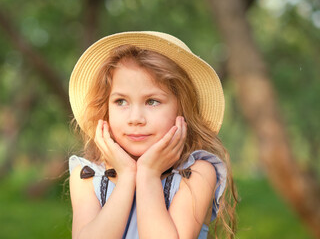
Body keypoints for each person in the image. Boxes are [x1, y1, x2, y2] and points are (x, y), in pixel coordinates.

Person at [68, 31, 237, 239]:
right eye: (121, 101)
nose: (135, 118)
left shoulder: (196, 174)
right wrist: (127, 176)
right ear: (106, 109)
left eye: (152, 101)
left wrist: (148, 174)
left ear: (181, 109)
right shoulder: (88, 176)